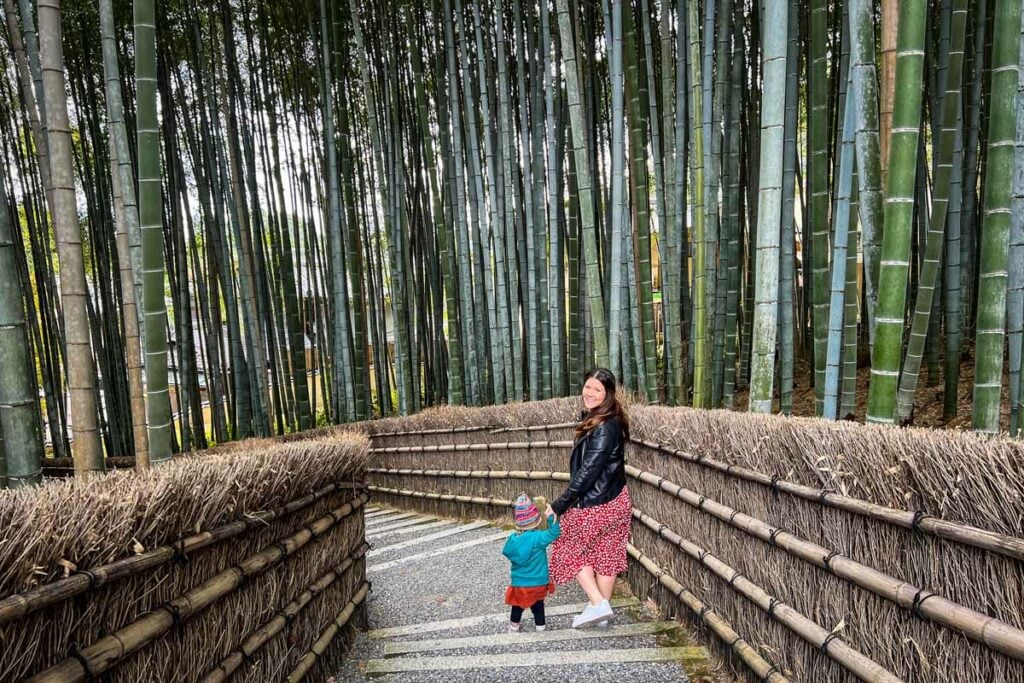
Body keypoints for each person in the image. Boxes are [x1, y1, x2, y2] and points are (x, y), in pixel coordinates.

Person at [546, 368, 631, 629]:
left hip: (598, 503)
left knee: (565, 542)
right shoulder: (607, 419)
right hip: (617, 499)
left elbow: (588, 472)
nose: (590, 393)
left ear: (608, 394)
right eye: (587, 387)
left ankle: (598, 601)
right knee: (607, 552)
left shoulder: (605, 426)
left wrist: (560, 505)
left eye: (597, 389)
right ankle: (600, 612)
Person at [502, 493, 561, 632]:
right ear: (537, 521)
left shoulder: (512, 541)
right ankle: (540, 626)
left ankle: (514, 626)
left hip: (519, 583)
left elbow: (507, 551)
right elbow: (554, 532)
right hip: (538, 582)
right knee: (538, 605)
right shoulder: (538, 538)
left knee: (517, 605)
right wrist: (552, 517)